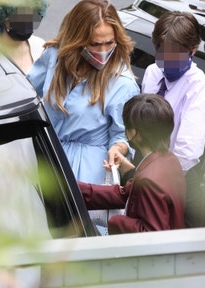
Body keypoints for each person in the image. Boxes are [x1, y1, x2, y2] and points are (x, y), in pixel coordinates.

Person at [27, 0, 140, 186]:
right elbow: (26, 91)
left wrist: (119, 148)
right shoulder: (55, 57)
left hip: (87, 172)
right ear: (77, 39)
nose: (103, 51)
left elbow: (123, 134)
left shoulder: (123, 83)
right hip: (44, 157)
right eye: (95, 44)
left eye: (110, 42)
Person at [78, 94, 186, 234]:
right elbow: (125, 194)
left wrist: (117, 221)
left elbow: (153, 232)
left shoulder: (148, 180)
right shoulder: (168, 159)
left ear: (136, 133)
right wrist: (76, 189)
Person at [141, 11, 205, 174]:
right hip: (144, 165)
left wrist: (160, 178)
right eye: (162, 53)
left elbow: (187, 151)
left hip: (173, 176)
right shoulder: (152, 72)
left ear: (193, 50)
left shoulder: (199, 85)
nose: (166, 60)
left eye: (174, 55)